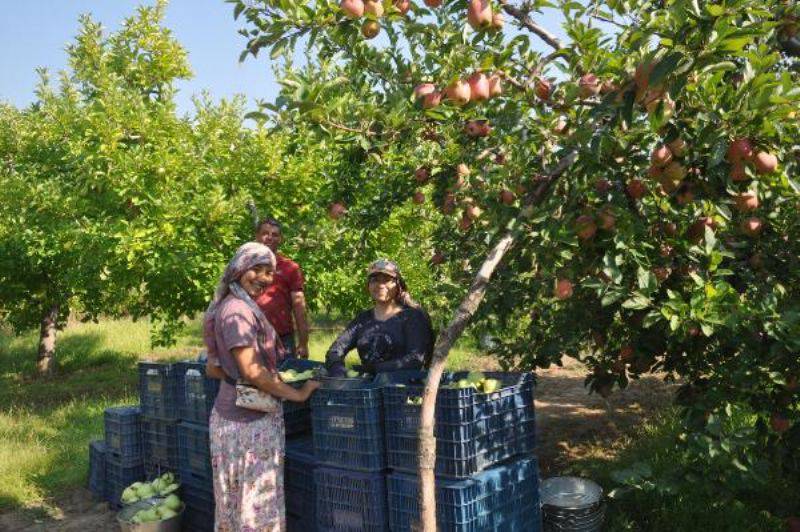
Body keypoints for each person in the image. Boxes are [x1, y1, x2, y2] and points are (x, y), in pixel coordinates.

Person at [202, 242, 320, 531]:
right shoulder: (238, 313)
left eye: (269, 272)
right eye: (256, 269)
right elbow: (253, 371)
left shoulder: (235, 305)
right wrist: (298, 393)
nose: (264, 278)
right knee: (255, 509)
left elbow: (214, 368)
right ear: (240, 268)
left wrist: (244, 378)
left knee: (239, 505)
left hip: (236, 418)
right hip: (246, 428)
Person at [326, 259, 434, 376]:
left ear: (398, 285)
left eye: (387, 280)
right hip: (367, 388)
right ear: (368, 286)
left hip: (402, 388)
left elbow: (415, 359)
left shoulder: (412, 317)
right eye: (375, 280)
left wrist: (373, 369)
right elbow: (335, 350)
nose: (381, 285)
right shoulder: (362, 320)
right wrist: (338, 369)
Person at [253, 217, 310, 359]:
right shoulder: (244, 265)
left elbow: (299, 306)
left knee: (285, 377)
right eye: (265, 233)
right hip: (249, 336)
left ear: (280, 239)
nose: (269, 237)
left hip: (282, 338)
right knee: (247, 379)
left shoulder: (290, 267)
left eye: (275, 235)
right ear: (257, 236)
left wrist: (303, 342)